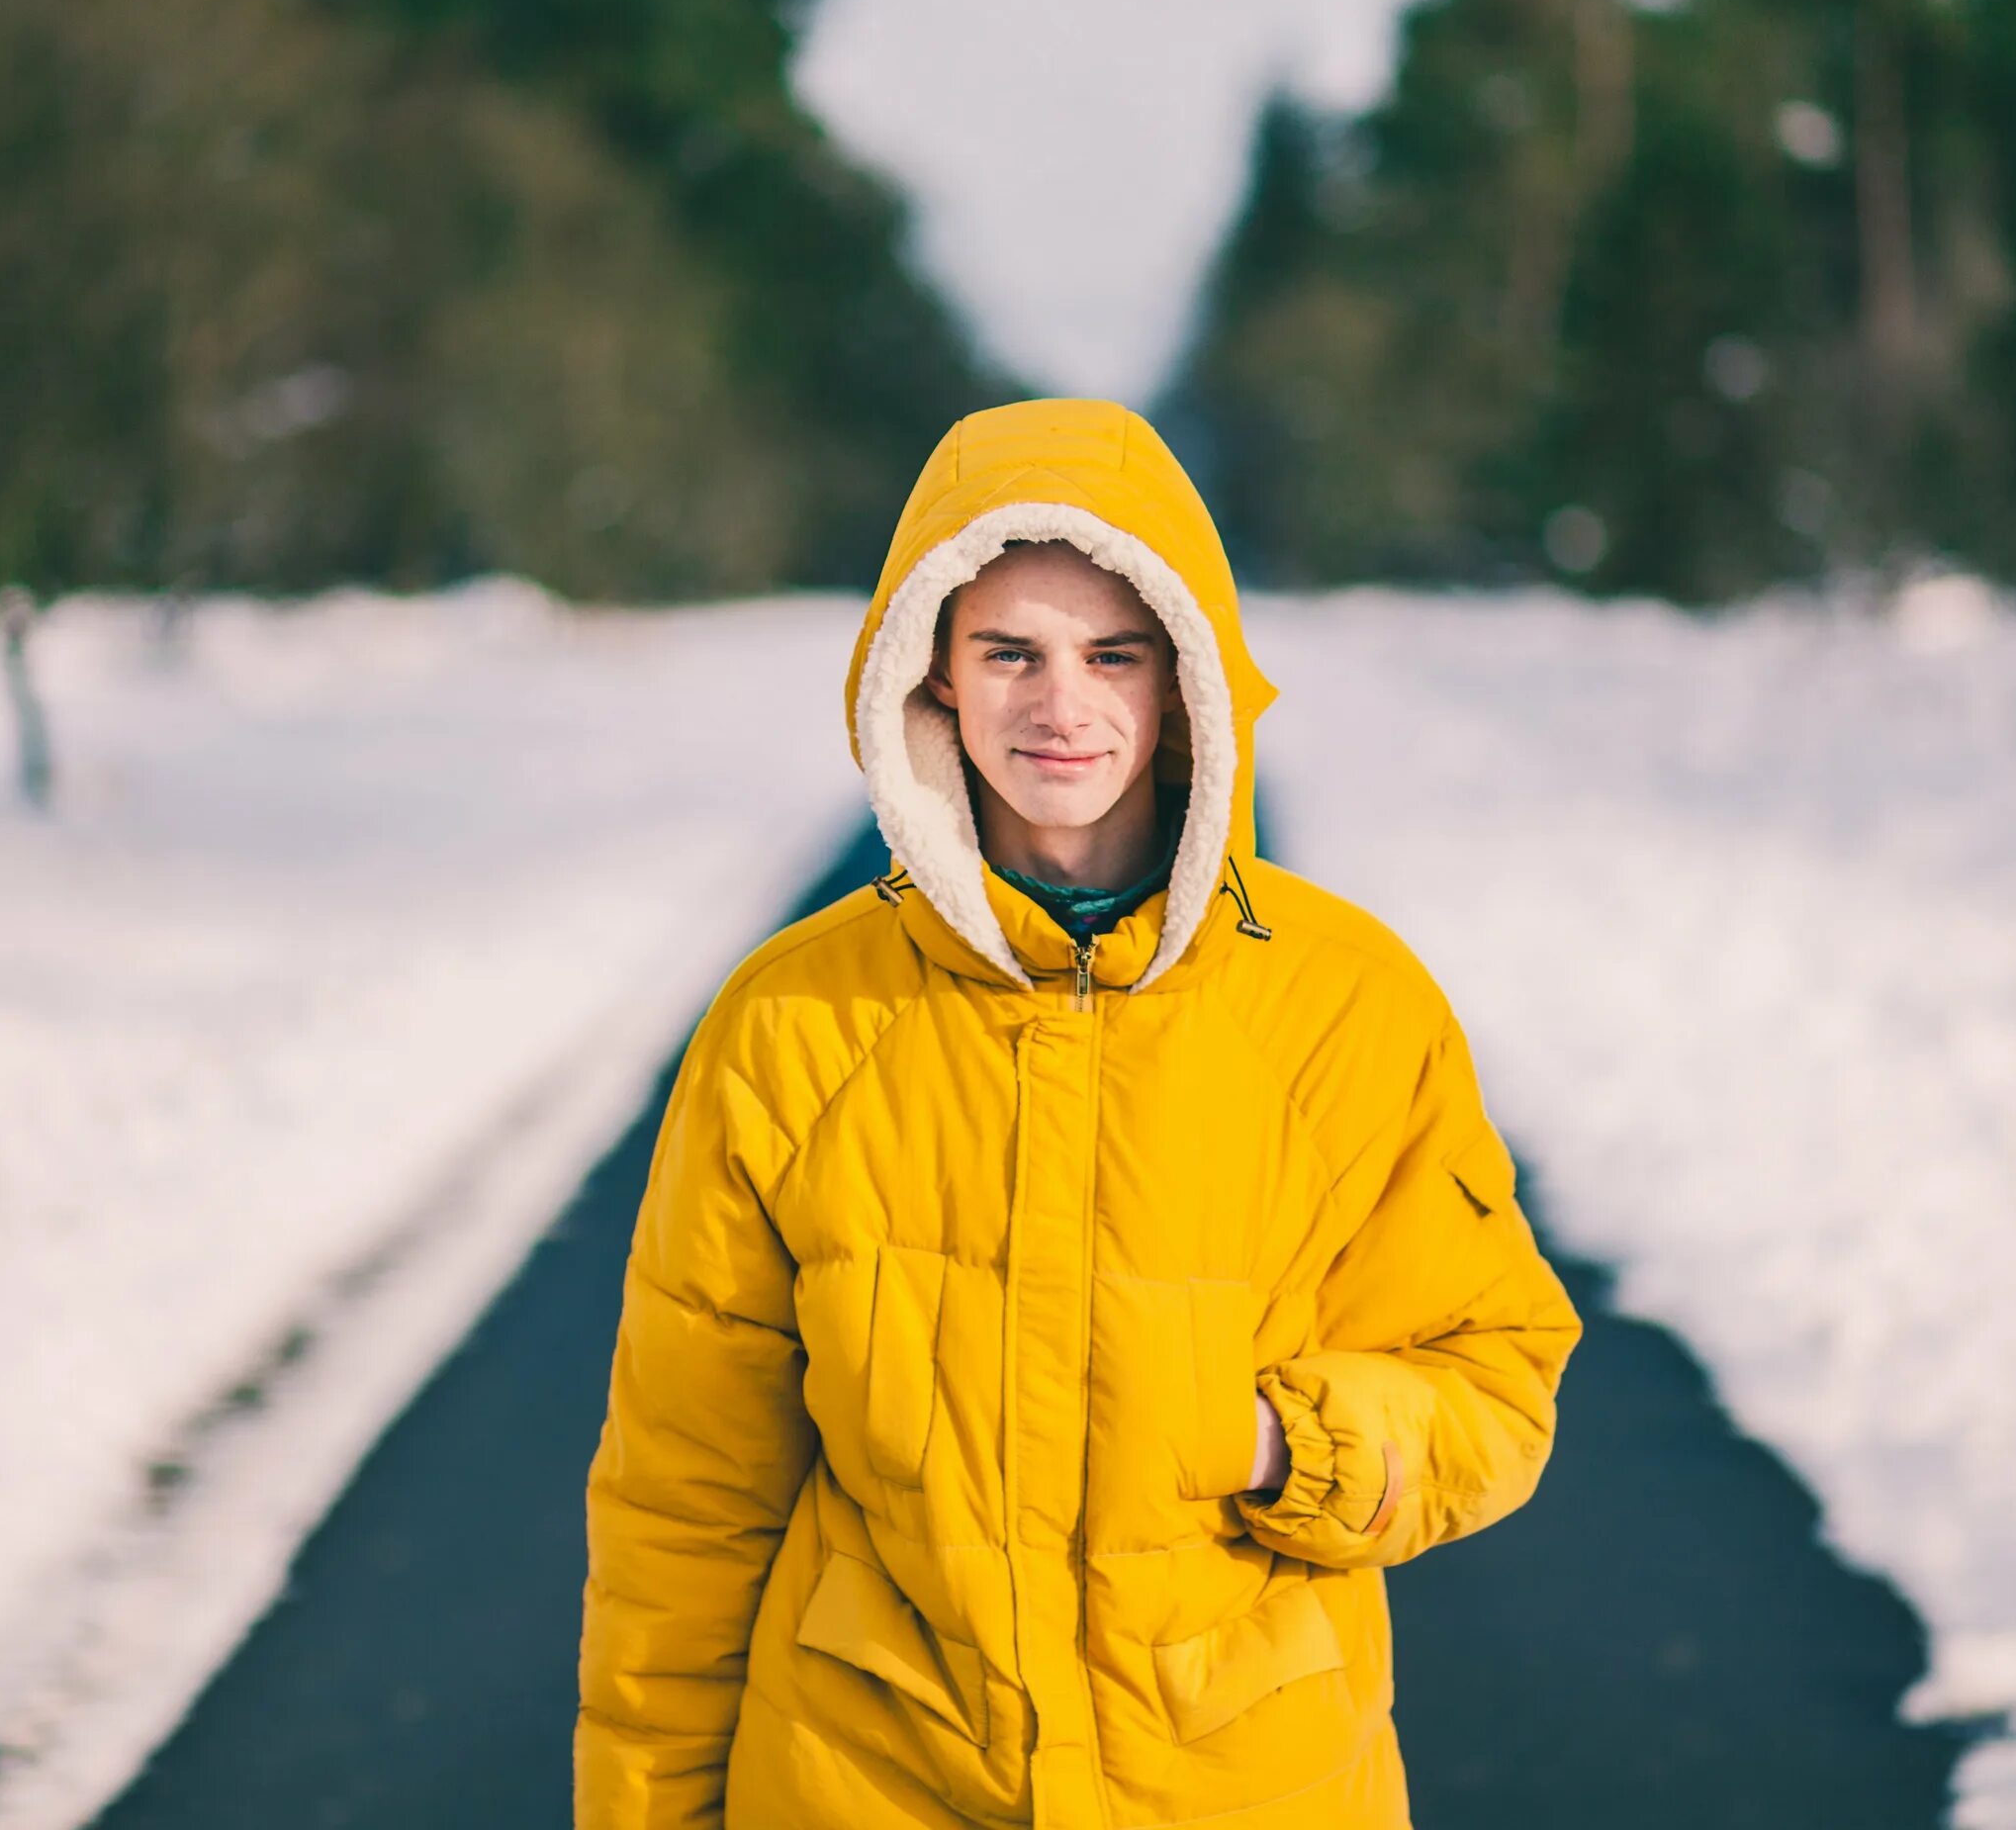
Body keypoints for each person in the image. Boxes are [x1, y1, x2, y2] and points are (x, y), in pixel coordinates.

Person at [575, 399, 1580, 1829]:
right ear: (930, 673)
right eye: (1009, 653)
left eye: (1114, 653)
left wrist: (1278, 1446)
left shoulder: (1351, 1005)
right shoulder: (790, 1023)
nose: (1062, 705)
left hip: (1249, 1784)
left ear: (1186, 679)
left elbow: (1497, 1378)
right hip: (866, 1783)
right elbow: (683, 1503)